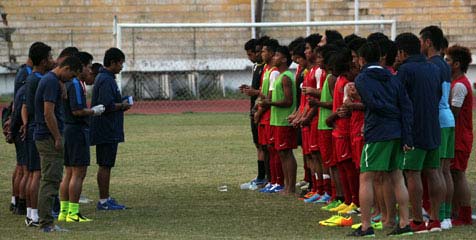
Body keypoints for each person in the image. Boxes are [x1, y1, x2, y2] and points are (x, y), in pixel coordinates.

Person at [349, 41, 413, 237]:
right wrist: (407, 136)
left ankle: (366, 226)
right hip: (397, 132)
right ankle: (404, 223)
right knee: (396, 176)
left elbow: (373, 103)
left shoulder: (362, 78)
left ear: (361, 59)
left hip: (377, 132)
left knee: (366, 177)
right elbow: (407, 106)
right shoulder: (393, 77)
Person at [395, 32, 443, 233]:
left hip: (413, 128)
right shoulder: (433, 67)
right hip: (433, 125)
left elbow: (399, 100)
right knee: (434, 172)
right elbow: (439, 94)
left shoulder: (405, 70)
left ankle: (416, 220)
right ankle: (435, 219)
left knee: (413, 173)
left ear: (402, 52)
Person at [34, 56, 83, 232]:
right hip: (48, 137)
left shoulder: (53, 80)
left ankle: (46, 221)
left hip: (47, 136)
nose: (71, 80)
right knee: (50, 180)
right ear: (67, 68)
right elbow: (48, 113)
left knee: (51, 179)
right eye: (72, 76)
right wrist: (57, 137)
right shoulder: (51, 82)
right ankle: (46, 224)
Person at [58, 52, 105, 223]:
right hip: (77, 131)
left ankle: (64, 211)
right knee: (79, 173)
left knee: (68, 172)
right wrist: (94, 111)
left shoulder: (67, 83)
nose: (90, 70)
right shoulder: (76, 84)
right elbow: (77, 110)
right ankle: (73, 213)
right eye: (88, 66)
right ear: (82, 67)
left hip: (67, 130)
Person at [420, 25, 454, 230]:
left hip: (438, 119)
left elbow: (432, 96)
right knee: (445, 171)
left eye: (421, 41)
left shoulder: (432, 65)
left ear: (428, 42)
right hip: (448, 118)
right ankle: (446, 215)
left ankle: (438, 216)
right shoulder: (445, 65)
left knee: (437, 171)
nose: (420, 45)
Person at [91, 48, 132, 210]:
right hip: (106, 129)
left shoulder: (106, 78)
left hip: (108, 128)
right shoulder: (106, 79)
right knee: (105, 164)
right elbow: (105, 105)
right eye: (120, 63)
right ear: (113, 62)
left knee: (106, 164)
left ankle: (105, 197)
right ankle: (103, 201)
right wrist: (122, 105)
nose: (122, 66)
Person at [23, 42, 55, 226]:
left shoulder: (32, 78)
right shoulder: (39, 80)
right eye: (50, 58)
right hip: (38, 130)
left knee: (32, 173)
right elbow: (43, 109)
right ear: (43, 61)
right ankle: (34, 215)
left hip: (32, 128)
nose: (52, 61)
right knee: (37, 174)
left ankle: (30, 213)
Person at [260, 45, 297, 195]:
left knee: (287, 153)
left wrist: (270, 103)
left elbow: (288, 101)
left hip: (284, 121)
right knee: (282, 153)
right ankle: (287, 186)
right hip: (277, 120)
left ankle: (291, 187)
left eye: (276, 55)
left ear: (283, 59)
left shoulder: (286, 77)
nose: (273, 58)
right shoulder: (280, 76)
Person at [446, 45, 473, 226]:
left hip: (460, 136)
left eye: (447, 60)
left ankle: (464, 214)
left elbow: (453, 112)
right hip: (457, 135)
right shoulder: (456, 83)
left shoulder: (460, 86)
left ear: (456, 64)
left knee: (458, 173)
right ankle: (457, 211)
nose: (445, 63)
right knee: (453, 172)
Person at [239, 38, 268, 188]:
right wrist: (249, 88)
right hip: (255, 109)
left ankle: (266, 177)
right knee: (258, 144)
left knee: (264, 145)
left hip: (261, 110)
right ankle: (262, 176)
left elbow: (266, 91)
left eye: (252, 54)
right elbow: (258, 88)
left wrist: (255, 92)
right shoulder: (257, 66)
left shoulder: (267, 69)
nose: (250, 57)